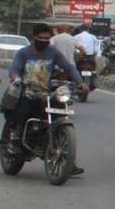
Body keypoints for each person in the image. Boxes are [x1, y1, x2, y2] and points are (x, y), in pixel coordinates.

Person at [7, 23, 88, 175]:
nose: (44, 41)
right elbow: (15, 69)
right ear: (34, 38)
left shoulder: (54, 53)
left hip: (46, 92)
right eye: (41, 38)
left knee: (60, 112)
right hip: (27, 91)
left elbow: (69, 67)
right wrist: (16, 78)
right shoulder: (23, 53)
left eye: (47, 38)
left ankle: (67, 157)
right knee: (22, 110)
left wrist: (80, 83)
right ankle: (16, 139)